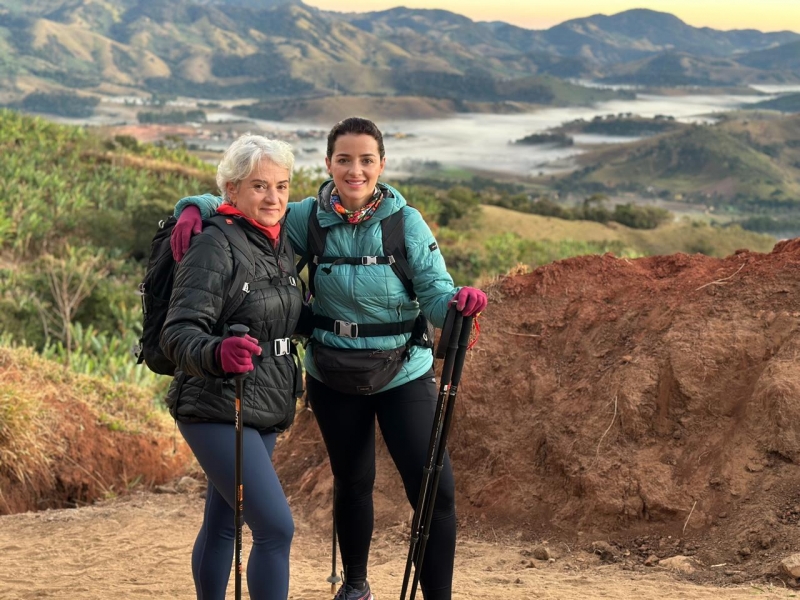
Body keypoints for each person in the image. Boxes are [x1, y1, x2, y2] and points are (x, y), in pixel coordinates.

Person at [171, 117, 487, 600]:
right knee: (353, 481)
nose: (355, 170)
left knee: (434, 490)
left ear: (382, 164)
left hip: (404, 371)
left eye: (366, 160)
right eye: (344, 159)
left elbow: (435, 292)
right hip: (333, 374)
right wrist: (192, 207)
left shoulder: (406, 222)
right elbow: (248, 206)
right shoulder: (305, 217)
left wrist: (458, 305)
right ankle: (355, 587)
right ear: (329, 164)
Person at [161, 134, 305, 600]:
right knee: (275, 529)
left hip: (263, 401)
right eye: (260, 187)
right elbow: (178, 331)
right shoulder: (214, 245)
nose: (274, 198)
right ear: (232, 191)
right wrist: (219, 352)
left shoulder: (277, 244)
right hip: (214, 403)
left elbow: (282, 314)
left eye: (282, 186)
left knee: (225, 521)